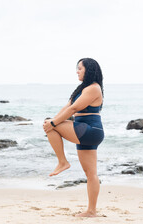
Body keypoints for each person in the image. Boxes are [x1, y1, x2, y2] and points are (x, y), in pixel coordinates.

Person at [43, 57, 104, 217]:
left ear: (88, 70)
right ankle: (91, 211)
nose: (77, 71)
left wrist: (53, 123)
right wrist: (52, 122)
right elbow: (67, 107)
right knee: (91, 174)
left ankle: (62, 162)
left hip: (89, 129)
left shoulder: (93, 88)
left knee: (50, 126)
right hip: (84, 130)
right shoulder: (81, 89)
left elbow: (75, 108)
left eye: (79, 68)